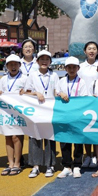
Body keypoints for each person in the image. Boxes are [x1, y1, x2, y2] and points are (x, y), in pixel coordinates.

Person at [23, 50, 59, 178]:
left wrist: (61, 94)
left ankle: (50, 165)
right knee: (35, 136)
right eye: (42, 59)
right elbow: (25, 92)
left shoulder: (54, 75)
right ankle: (36, 166)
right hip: (36, 110)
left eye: (47, 59)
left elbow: (57, 91)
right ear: (37, 61)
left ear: (50, 61)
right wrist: (36, 93)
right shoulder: (33, 75)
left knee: (49, 137)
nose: (44, 61)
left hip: (49, 110)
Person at [55, 56, 90, 179]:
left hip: (77, 116)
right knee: (64, 140)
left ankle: (77, 165)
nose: (71, 69)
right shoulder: (61, 81)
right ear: (65, 68)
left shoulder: (82, 82)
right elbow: (56, 93)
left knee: (78, 141)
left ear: (78, 68)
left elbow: (83, 98)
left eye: (74, 67)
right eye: (69, 67)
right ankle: (66, 166)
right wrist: (60, 93)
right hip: (64, 115)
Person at [0, 54, 27, 176]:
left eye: (15, 64)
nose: (13, 67)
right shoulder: (3, 79)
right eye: (10, 64)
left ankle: (18, 163)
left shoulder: (24, 78)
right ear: (7, 66)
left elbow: (29, 92)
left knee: (16, 137)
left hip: (19, 111)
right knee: (8, 137)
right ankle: (10, 163)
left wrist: (25, 92)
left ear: (19, 65)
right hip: (6, 112)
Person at [78, 41, 98, 169]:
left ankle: (96, 155)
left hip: (97, 102)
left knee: (96, 129)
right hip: (84, 102)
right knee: (86, 129)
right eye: (89, 49)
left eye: (94, 48)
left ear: (97, 51)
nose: (92, 51)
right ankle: (87, 155)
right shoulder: (80, 67)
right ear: (85, 51)